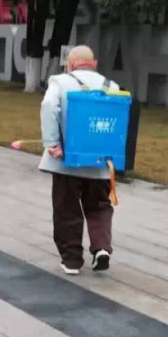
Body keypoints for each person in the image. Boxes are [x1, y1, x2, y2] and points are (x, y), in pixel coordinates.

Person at [39, 45, 118, 275]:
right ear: (94, 64)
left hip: (67, 161)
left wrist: (52, 142)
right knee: (100, 205)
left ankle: (72, 260)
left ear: (70, 64)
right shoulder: (111, 86)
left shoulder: (60, 82)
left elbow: (48, 106)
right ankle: (101, 248)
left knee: (67, 208)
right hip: (100, 162)